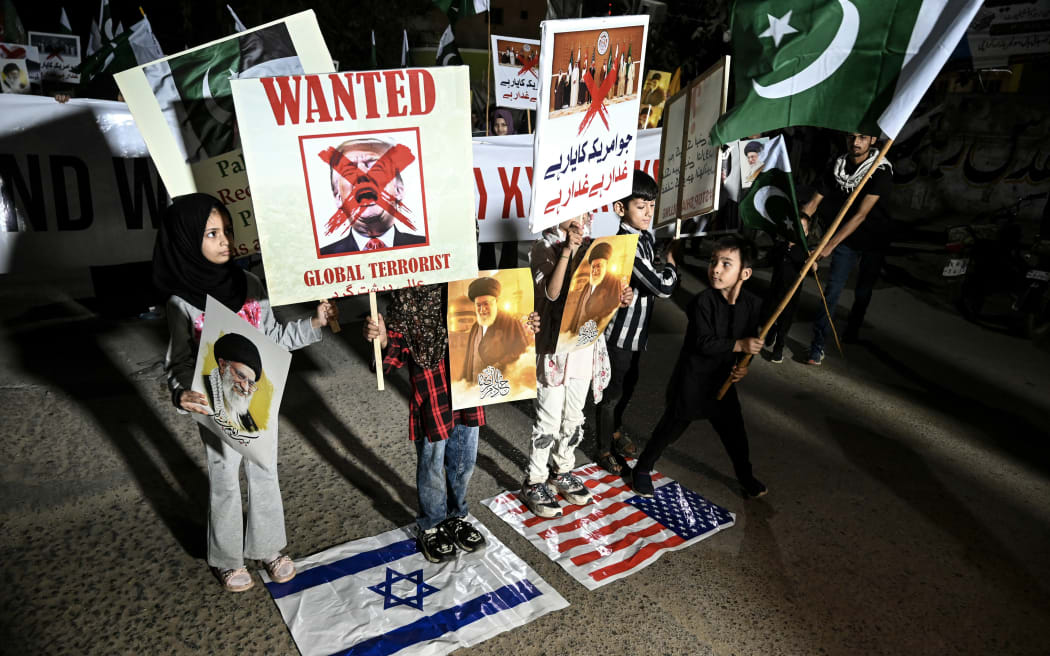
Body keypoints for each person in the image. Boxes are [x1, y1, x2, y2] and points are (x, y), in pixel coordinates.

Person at [155, 193, 334, 592]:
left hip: (258, 403)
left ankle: (268, 548)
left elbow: (274, 337)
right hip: (214, 404)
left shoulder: (250, 285)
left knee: (265, 471)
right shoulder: (181, 302)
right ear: (186, 241)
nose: (225, 241)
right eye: (212, 233)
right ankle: (227, 558)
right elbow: (179, 361)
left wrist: (314, 323)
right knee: (223, 478)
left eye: (228, 231)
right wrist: (181, 392)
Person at [365, 285, 541, 561]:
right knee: (432, 463)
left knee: (464, 460)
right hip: (432, 392)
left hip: (468, 388)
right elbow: (396, 351)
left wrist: (526, 325)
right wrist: (384, 338)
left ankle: (456, 515)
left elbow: (503, 331)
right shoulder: (407, 295)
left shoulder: (464, 284)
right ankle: (432, 523)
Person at [631, 235, 767, 500]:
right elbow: (704, 343)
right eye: (713, 261)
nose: (715, 268)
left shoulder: (752, 305)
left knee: (735, 436)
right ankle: (643, 468)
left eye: (726, 264)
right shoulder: (702, 302)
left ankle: (745, 477)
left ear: (745, 273)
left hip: (723, 381)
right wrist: (739, 345)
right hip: (693, 381)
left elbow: (751, 342)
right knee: (670, 428)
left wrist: (743, 366)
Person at [523, 214, 633, 518]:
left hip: (584, 348)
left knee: (574, 416)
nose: (586, 217)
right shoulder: (543, 247)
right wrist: (568, 252)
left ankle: (563, 470)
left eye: (589, 211)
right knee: (547, 419)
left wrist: (621, 295)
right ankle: (535, 480)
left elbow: (603, 290)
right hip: (555, 349)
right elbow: (552, 293)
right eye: (580, 211)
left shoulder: (596, 247)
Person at [594, 171, 679, 474]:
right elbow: (662, 286)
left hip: (637, 332)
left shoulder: (644, 236)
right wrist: (670, 265)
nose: (648, 213)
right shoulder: (625, 243)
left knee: (628, 386)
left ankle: (615, 432)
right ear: (620, 208)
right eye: (641, 207)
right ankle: (603, 448)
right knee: (612, 393)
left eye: (651, 206)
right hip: (620, 335)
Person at [804, 132, 893, 364]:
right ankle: (817, 346)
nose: (856, 142)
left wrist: (828, 245)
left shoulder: (881, 170)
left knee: (863, 291)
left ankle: (853, 328)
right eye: (852, 137)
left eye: (863, 137)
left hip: (874, 240)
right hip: (847, 241)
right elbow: (815, 200)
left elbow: (861, 215)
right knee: (832, 291)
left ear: (873, 140)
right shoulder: (837, 164)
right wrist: (801, 220)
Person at [319, 137, 427, 255]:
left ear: (398, 190)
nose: (362, 174)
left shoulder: (427, 249)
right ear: (338, 197)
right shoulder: (324, 257)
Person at [457, 276, 531, 383]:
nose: (482, 310)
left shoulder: (510, 322)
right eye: (478, 305)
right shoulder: (475, 328)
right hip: (473, 390)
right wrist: (463, 382)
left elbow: (523, 355)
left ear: (496, 301)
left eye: (486, 304)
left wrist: (499, 366)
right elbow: (469, 361)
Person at [760, 215, 811, 363]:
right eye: (795, 226)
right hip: (775, 289)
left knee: (784, 323)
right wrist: (750, 265)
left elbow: (809, 268)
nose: (797, 231)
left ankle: (778, 350)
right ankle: (771, 331)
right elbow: (768, 260)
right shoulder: (780, 246)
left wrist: (813, 266)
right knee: (768, 314)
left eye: (802, 228)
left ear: (806, 233)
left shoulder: (804, 252)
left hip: (791, 295)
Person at [206, 332, 264, 435]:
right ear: (223, 365)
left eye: (250, 383)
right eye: (241, 376)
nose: (245, 388)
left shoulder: (243, 412)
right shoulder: (203, 389)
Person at [566, 241, 625, 334]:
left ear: (607, 265)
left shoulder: (614, 282)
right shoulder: (587, 285)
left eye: (599, 266)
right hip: (577, 336)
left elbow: (611, 311)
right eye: (593, 267)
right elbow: (579, 312)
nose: (595, 270)